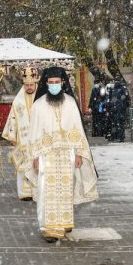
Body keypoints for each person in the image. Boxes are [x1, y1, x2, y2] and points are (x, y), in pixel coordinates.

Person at [27, 67, 99, 242]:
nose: (53, 86)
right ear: (45, 84)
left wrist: (80, 154)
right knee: (48, 191)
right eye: (50, 83)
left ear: (62, 83)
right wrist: (35, 158)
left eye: (56, 83)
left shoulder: (70, 103)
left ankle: (65, 222)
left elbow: (78, 130)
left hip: (67, 155)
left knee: (66, 189)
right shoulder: (38, 105)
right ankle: (49, 228)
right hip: (46, 156)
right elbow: (34, 134)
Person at [1, 66, 40, 200]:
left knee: (37, 165)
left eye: (31, 85)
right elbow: (13, 118)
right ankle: (25, 193)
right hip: (22, 140)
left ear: (36, 84)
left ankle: (37, 192)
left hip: (38, 140)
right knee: (23, 166)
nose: (29, 87)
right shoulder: (18, 101)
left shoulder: (41, 101)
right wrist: (12, 136)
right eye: (26, 85)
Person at [107, 76, 130, 142]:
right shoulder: (114, 88)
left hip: (119, 109)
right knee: (117, 123)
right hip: (116, 108)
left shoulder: (121, 88)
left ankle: (120, 137)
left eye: (117, 81)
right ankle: (117, 137)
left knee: (118, 123)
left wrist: (124, 106)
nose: (116, 82)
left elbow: (127, 99)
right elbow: (110, 98)